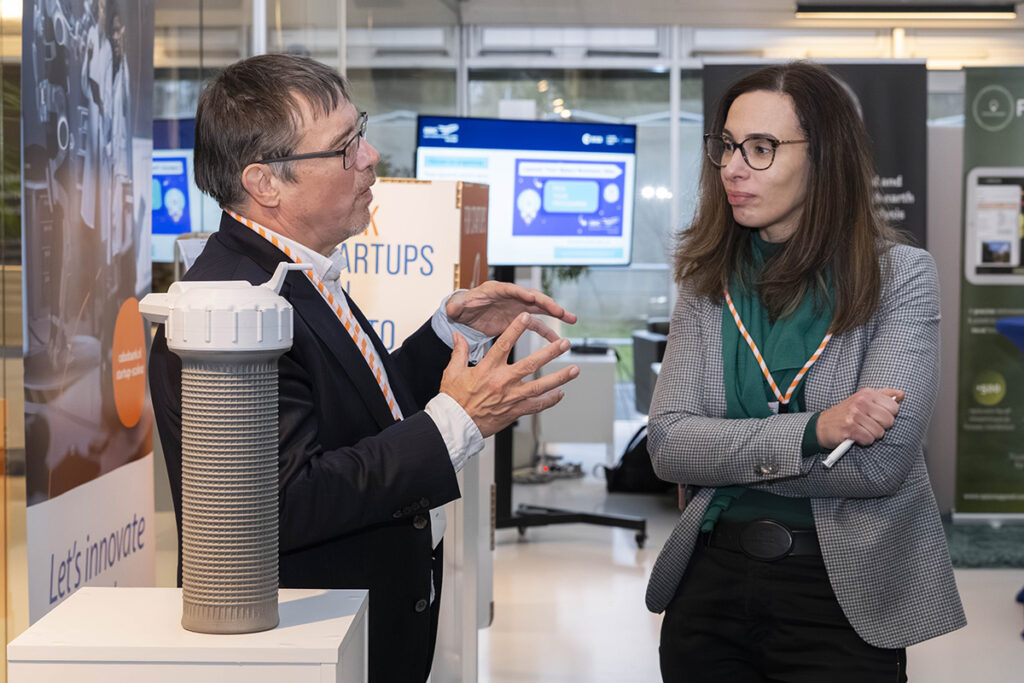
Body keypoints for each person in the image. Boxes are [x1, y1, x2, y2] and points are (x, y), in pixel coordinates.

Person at [148, 53, 579, 683]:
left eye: (361, 132)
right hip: (307, 644)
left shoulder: (296, 269)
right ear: (266, 183)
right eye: (344, 147)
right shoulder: (228, 310)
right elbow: (284, 504)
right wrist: (456, 423)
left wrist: (449, 332)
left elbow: (361, 413)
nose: (371, 156)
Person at [646, 61, 965, 682]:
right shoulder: (707, 283)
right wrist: (816, 431)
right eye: (728, 147)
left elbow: (879, 466)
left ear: (825, 158)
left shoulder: (900, 278)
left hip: (840, 595)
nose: (733, 168)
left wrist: (727, 456)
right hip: (708, 590)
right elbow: (667, 448)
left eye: (761, 149)